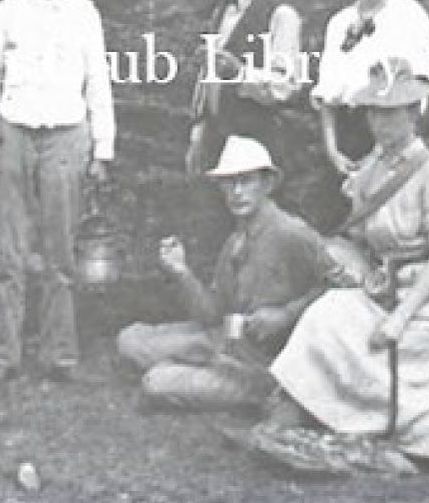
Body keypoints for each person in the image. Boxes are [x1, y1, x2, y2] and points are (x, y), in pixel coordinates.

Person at [267, 59, 429, 475]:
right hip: (380, 285)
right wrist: (348, 265)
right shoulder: (372, 167)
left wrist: (401, 319)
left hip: (426, 300)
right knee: (326, 314)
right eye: (373, 112)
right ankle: (304, 405)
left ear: (413, 113)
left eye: (391, 112)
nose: (380, 123)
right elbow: (361, 237)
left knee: (413, 410)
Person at [0, 0, 115, 384]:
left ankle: (60, 354)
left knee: (61, 253)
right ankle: (3, 355)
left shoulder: (85, 13)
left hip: (66, 136)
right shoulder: (8, 11)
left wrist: (103, 150)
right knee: (9, 252)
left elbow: (98, 82)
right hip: (13, 133)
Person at [117, 137, 331, 411]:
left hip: (266, 363)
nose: (237, 192)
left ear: (267, 184)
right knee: (130, 339)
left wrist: (286, 315)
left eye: (246, 181)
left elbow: (341, 288)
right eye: (229, 183)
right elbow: (211, 314)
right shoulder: (235, 241)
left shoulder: (292, 234)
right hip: (223, 341)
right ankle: (195, 367)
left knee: (156, 381)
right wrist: (181, 271)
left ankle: (257, 394)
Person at [311, 0, 429, 229]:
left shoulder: (408, 16)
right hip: (344, 140)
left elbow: (416, 95)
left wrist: (380, 155)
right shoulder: (340, 23)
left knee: (387, 227)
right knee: (332, 232)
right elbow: (327, 98)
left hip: (390, 136)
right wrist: (333, 152)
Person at [186, 0, 302, 176]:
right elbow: (207, 79)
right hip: (215, 143)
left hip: (258, 147)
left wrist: (239, 72)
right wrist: (199, 128)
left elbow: (286, 87)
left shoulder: (281, 15)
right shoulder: (219, 12)